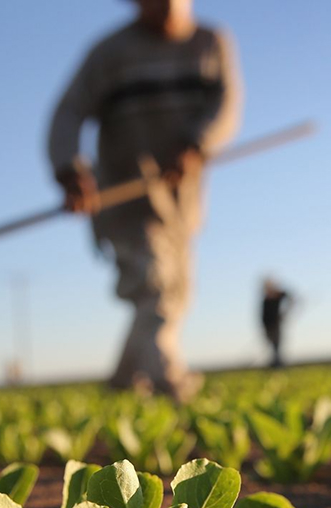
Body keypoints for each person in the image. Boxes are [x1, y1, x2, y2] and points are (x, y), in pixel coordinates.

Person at [48, 0, 242, 401]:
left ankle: (121, 383)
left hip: (182, 201)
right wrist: (69, 169)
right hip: (125, 196)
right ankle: (171, 383)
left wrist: (196, 143)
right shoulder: (109, 53)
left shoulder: (212, 43)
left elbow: (226, 105)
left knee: (176, 292)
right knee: (154, 287)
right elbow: (68, 113)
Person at [261, 279, 293, 368]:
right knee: (273, 345)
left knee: (277, 345)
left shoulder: (278, 295)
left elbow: (290, 298)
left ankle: (277, 364)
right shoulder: (265, 300)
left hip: (276, 325)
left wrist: (285, 312)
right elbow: (263, 317)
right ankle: (275, 363)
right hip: (268, 326)